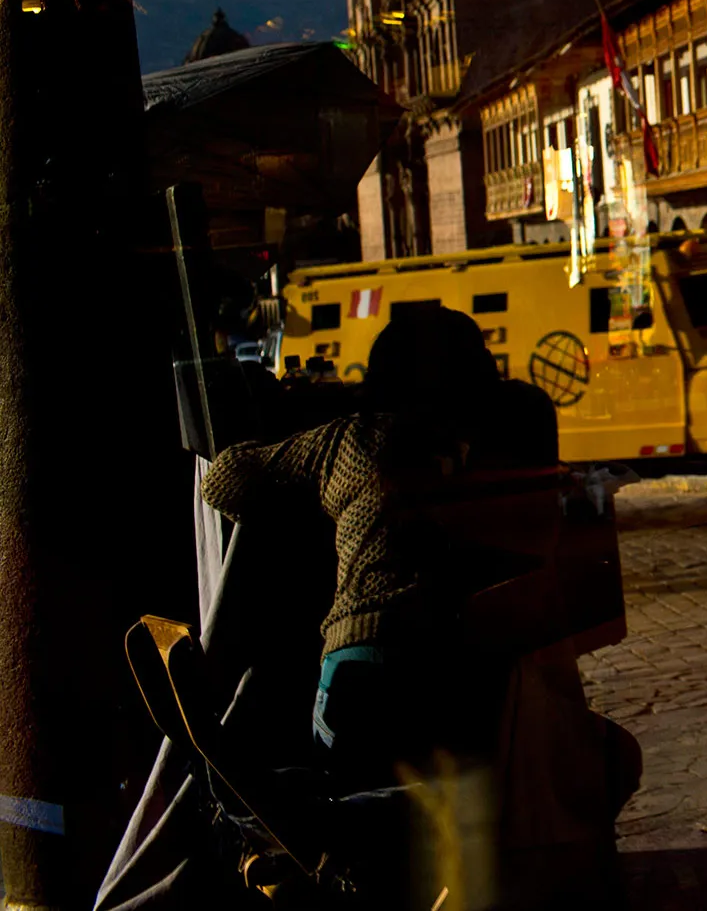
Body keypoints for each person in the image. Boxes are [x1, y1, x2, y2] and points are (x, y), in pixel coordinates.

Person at [199, 305, 501, 786]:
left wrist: (308, 507)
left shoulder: (355, 438)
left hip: (358, 675)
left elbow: (223, 481)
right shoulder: (489, 453)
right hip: (448, 674)